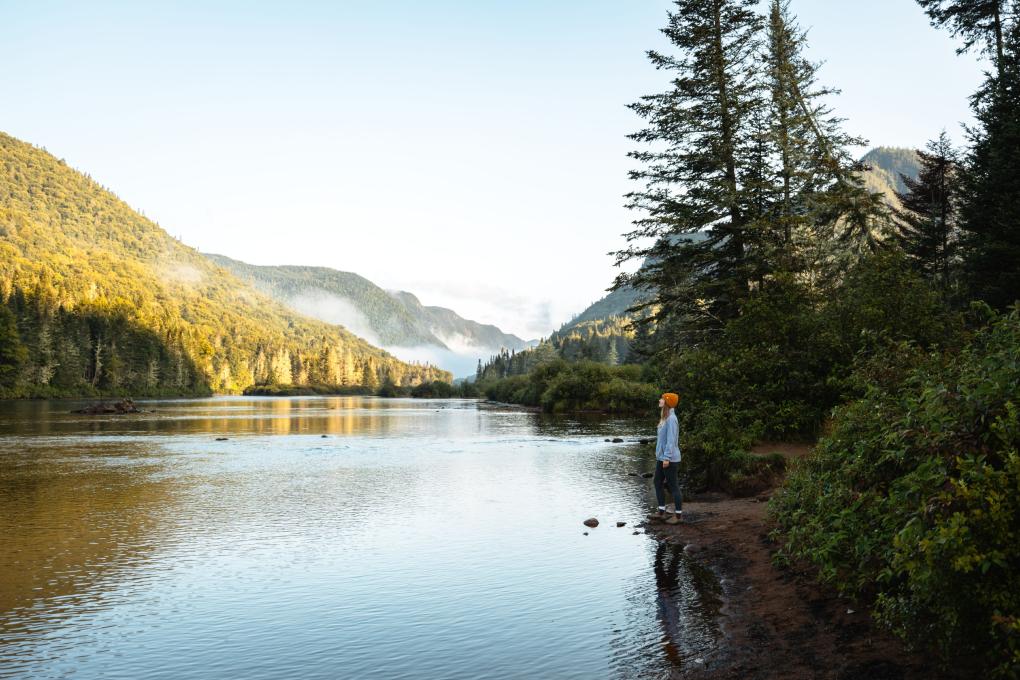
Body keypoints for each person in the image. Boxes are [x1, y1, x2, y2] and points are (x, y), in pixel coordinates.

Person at [648, 392, 682, 524]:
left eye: (662, 398)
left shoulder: (671, 419)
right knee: (657, 482)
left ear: (667, 402)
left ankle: (678, 516)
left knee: (673, 486)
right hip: (662, 457)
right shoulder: (665, 417)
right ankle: (661, 511)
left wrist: (667, 457)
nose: (660, 400)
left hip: (669, 458)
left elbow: (671, 440)